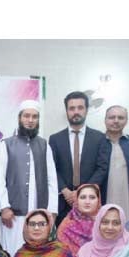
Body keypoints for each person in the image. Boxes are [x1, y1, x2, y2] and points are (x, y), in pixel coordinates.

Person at [0, 100, 58, 257]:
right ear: (19, 118)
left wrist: (52, 211)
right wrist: (4, 207)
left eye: (34, 117)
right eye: (27, 116)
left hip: (39, 214)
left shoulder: (44, 145)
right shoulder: (6, 145)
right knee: (12, 253)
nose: (30, 120)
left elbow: (52, 180)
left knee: (39, 255)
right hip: (13, 214)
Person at [48, 91, 110, 223]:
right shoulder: (55, 139)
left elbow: (102, 168)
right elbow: (52, 168)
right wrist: (65, 191)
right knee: (62, 241)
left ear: (86, 110)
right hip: (63, 202)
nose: (76, 112)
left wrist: (82, 193)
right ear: (67, 111)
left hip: (90, 203)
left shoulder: (99, 138)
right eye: (71, 108)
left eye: (80, 108)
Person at [102, 105, 129, 216]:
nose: (116, 121)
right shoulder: (97, 141)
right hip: (102, 200)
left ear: (126, 121)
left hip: (127, 200)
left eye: (121, 117)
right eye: (112, 117)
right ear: (105, 120)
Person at [56, 183, 102, 257]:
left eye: (92, 197)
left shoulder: (106, 224)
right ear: (76, 200)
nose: (87, 202)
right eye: (83, 197)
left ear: (98, 201)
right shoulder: (66, 227)